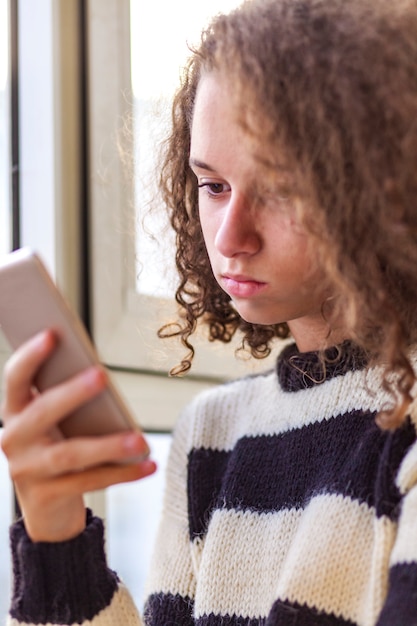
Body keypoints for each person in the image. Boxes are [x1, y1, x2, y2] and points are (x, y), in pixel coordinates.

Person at [2, 0, 417, 624]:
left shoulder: (403, 423)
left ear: (380, 187)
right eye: (214, 186)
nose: (228, 237)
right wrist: (56, 536)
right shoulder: (211, 433)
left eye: (281, 190)